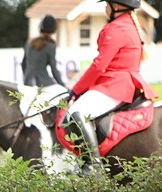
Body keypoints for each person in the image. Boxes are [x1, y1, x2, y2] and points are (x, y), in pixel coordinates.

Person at [66, 0, 156, 171]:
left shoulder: (116, 28)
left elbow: (99, 65)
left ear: (116, 6)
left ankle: (92, 166)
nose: (105, 7)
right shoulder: (131, 26)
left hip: (116, 85)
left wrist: (77, 90)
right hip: (128, 84)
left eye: (107, 4)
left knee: (76, 113)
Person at [23, 15, 65, 88]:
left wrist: (26, 79)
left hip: (28, 82)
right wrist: (62, 85)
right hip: (43, 83)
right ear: (54, 29)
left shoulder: (29, 43)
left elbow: (23, 64)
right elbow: (53, 69)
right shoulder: (51, 46)